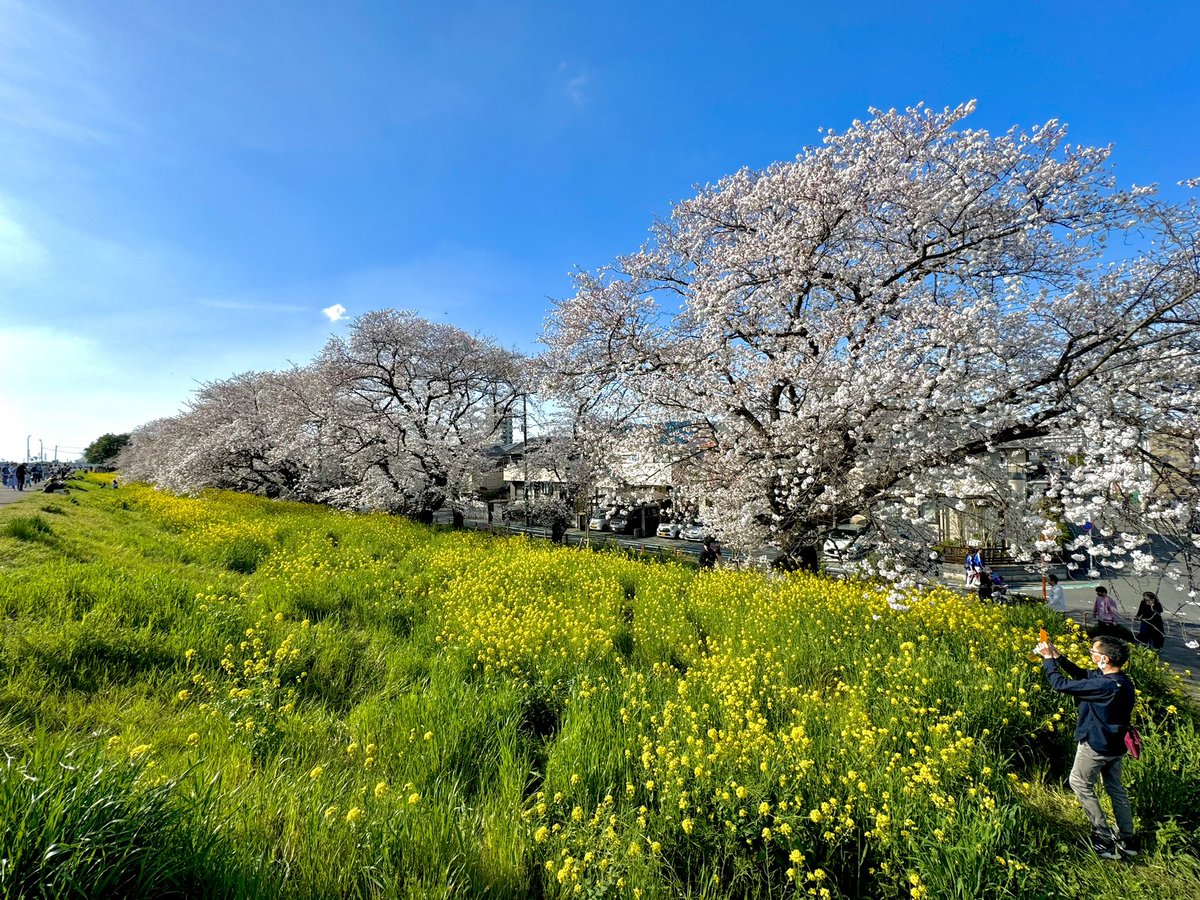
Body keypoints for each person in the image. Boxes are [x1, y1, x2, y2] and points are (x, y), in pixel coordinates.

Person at [1036, 635, 1138, 859]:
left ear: (1104, 658)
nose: (1090, 654)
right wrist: (1058, 657)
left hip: (1095, 744)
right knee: (1115, 789)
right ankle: (1128, 839)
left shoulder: (1103, 686)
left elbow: (1060, 684)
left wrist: (1047, 661)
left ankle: (1102, 837)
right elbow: (1084, 676)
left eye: (1093, 652)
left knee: (1079, 783)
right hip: (1116, 745)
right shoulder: (1121, 680)